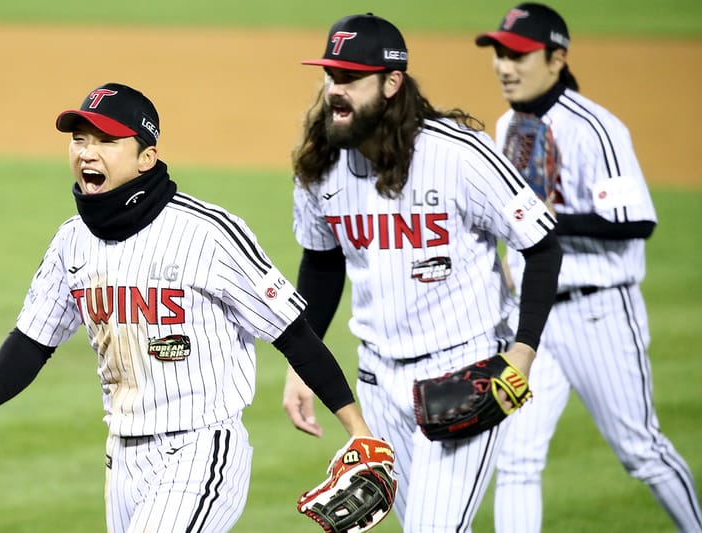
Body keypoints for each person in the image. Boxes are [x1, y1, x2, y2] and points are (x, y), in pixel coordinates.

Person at [0, 82, 384, 533]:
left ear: (146, 158)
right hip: (123, 456)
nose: (87, 153)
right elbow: (34, 340)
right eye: (79, 139)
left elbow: (293, 333)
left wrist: (358, 429)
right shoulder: (71, 241)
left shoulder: (207, 233)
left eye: (107, 141)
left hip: (202, 450)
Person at [282, 13, 563, 532]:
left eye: (350, 79)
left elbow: (542, 243)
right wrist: (304, 363)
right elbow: (321, 264)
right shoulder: (321, 166)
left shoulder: (457, 154)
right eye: (330, 77)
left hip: (465, 373)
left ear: (391, 83)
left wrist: (521, 355)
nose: (334, 91)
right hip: (377, 384)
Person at [474, 4, 702, 532]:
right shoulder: (508, 125)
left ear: (557, 58)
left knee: (640, 450)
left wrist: (545, 219)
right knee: (517, 459)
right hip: (535, 325)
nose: (506, 66)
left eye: (519, 55)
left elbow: (633, 221)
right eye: (501, 54)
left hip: (599, 312)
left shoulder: (596, 127)